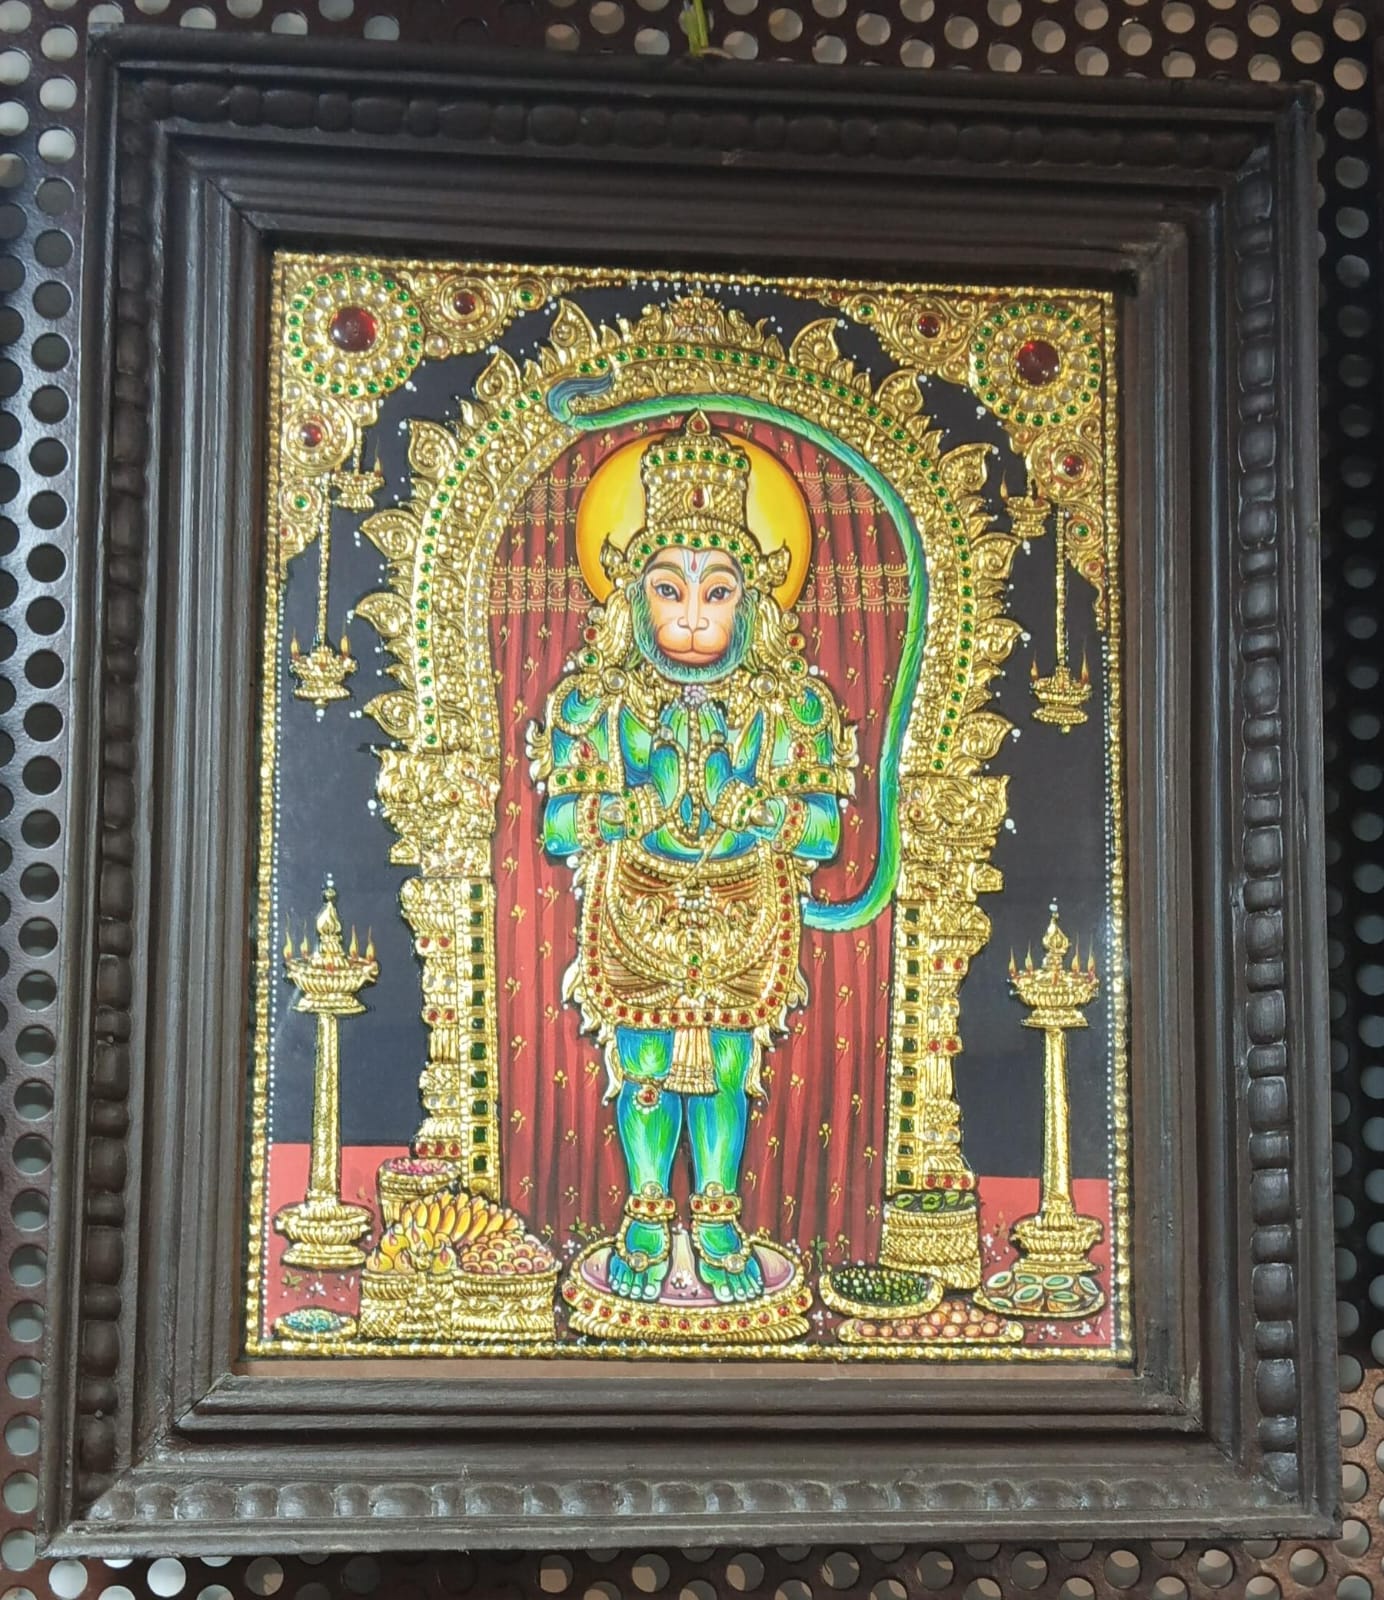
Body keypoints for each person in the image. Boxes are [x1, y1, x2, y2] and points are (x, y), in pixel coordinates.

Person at [530, 413, 855, 1304]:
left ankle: (714, 1214)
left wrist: (771, 813)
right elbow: (558, 826)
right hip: (636, 904)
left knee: (726, 1071)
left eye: (717, 594)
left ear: (750, 603)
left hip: (746, 907)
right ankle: (644, 1211)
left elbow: (823, 833)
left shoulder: (792, 705)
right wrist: (620, 809)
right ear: (635, 599)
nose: (692, 618)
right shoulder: (595, 701)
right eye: (670, 592)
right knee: (641, 1068)